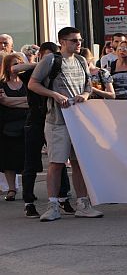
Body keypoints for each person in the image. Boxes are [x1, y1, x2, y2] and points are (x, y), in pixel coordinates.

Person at [28, 27, 103, 221]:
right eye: (74, 41)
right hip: (57, 120)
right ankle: (53, 205)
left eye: (80, 40)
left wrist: (85, 95)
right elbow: (33, 83)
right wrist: (54, 94)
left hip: (78, 119)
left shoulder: (81, 60)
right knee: (56, 163)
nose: (78, 44)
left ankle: (83, 204)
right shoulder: (50, 60)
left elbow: (88, 85)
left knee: (79, 163)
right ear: (62, 41)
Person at [12, 42, 72, 217]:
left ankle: (63, 198)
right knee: (30, 162)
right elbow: (15, 69)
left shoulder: (59, 71)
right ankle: (29, 201)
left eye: (51, 56)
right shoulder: (33, 72)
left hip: (55, 118)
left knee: (58, 160)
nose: (49, 59)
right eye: (45, 56)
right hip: (35, 120)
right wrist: (40, 64)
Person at [0, 53, 29, 201]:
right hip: (8, 127)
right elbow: (4, 102)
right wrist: (23, 102)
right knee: (8, 160)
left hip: (27, 125)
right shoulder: (2, 84)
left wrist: (11, 100)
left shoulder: (29, 82)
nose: (17, 67)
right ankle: (11, 189)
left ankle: (28, 190)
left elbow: (32, 102)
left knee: (27, 159)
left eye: (19, 63)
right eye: (14, 64)